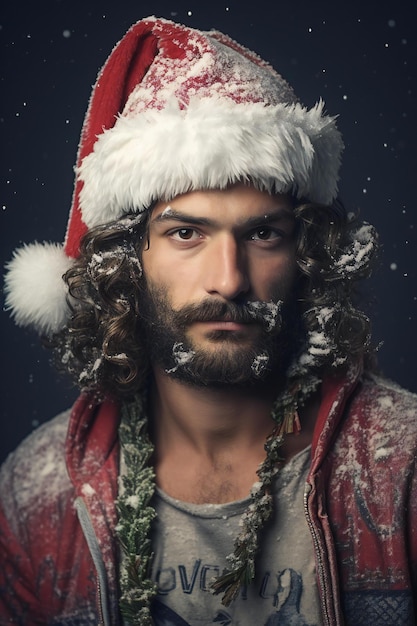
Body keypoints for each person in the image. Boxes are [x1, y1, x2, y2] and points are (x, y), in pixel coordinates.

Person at [1, 15, 416, 626]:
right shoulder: (34, 495)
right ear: (126, 260)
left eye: (264, 234)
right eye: (186, 232)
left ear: (305, 253)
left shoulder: (402, 466)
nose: (230, 278)